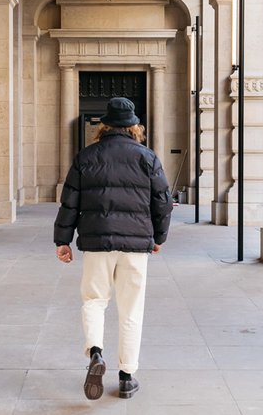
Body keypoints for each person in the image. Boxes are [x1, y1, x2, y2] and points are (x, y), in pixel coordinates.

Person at [54, 96, 173, 400]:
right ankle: (127, 376)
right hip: (135, 244)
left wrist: (62, 240)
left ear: (104, 125)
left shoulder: (86, 157)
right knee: (131, 309)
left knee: (94, 300)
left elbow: (70, 201)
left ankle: (95, 353)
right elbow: (163, 202)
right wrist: (158, 237)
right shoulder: (148, 158)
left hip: (97, 242)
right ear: (134, 126)